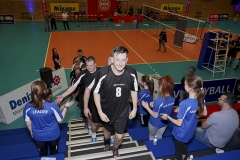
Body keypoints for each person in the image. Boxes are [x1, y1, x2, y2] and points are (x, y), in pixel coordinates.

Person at [92, 46, 138, 157]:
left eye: (123, 60)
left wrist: (135, 108)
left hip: (122, 111)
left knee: (119, 137)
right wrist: (100, 112)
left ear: (127, 60)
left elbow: (134, 90)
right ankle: (106, 142)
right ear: (112, 59)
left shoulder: (132, 73)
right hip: (106, 110)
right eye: (117, 59)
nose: (120, 63)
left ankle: (115, 147)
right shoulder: (102, 73)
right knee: (107, 131)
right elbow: (96, 93)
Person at [161, 74, 205, 160]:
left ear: (190, 88)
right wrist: (183, 111)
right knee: (184, 148)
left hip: (181, 133)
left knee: (178, 151)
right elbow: (201, 112)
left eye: (185, 84)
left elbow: (179, 123)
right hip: (190, 131)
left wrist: (168, 117)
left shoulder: (184, 104)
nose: (184, 85)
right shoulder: (200, 99)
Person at [25, 80, 74, 156]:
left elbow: (28, 123)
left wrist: (31, 132)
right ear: (45, 91)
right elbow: (60, 120)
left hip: (38, 136)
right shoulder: (52, 106)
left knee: (42, 153)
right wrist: (66, 108)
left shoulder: (27, 107)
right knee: (54, 152)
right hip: (53, 135)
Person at [142, 75, 175, 140]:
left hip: (155, 123)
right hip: (165, 123)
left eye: (160, 84)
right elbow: (165, 106)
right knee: (159, 136)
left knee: (151, 137)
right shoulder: (172, 99)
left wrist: (147, 107)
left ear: (163, 87)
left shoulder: (158, 101)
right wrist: (155, 105)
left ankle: (152, 149)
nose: (158, 85)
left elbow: (155, 116)